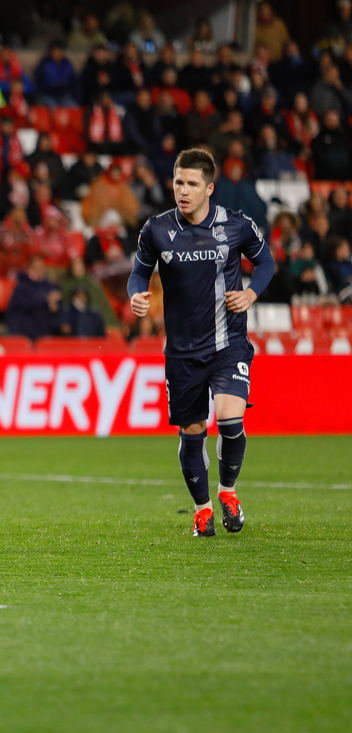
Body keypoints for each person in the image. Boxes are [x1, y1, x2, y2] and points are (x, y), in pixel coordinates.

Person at [128, 149, 275, 538]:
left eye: (192, 183)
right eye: (179, 182)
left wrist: (252, 295)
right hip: (181, 353)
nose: (184, 190)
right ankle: (202, 510)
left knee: (229, 420)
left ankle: (227, 492)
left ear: (209, 187)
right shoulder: (156, 230)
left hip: (229, 344)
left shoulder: (236, 225)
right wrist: (137, 295)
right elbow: (139, 272)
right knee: (192, 433)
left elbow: (267, 263)